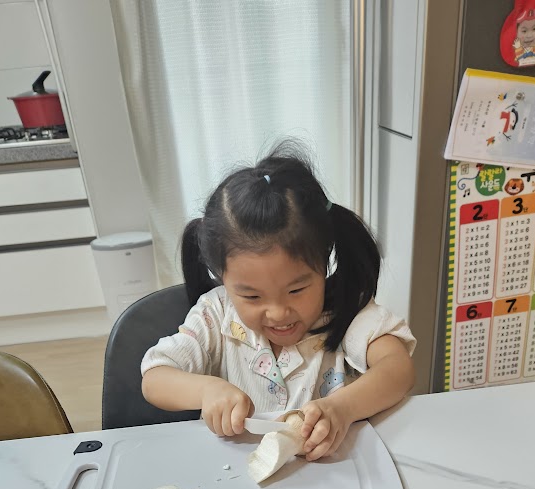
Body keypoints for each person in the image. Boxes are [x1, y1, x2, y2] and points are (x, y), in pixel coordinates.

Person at [141, 146, 416, 462]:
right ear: (222, 277)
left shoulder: (345, 310)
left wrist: (342, 408)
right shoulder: (215, 314)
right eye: (252, 296)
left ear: (323, 263)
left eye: (297, 290)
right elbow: (155, 377)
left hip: (332, 478)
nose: (278, 312)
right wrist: (206, 391)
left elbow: (398, 369)